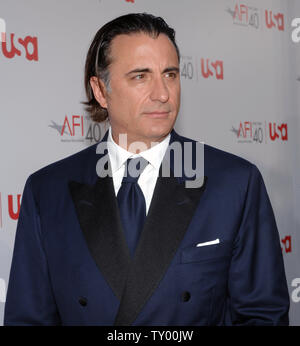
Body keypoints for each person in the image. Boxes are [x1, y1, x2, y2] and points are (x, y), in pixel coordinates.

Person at [4, 13, 289, 326]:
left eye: (170, 74)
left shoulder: (234, 183)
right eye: (140, 76)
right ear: (101, 91)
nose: (163, 94)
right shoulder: (47, 191)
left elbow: (263, 316)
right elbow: (28, 319)